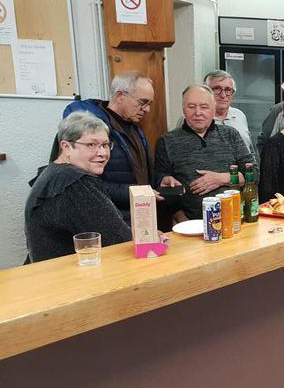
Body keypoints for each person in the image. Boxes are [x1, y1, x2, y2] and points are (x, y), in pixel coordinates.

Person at [26, 112, 131, 262]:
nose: (102, 153)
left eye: (105, 145)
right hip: (68, 273)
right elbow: (120, 240)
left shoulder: (53, 173)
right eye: (91, 145)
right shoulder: (76, 183)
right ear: (66, 147)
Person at [56, 71, 154, 220]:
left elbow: (137, 170)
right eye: (142, 102)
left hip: (135, 214)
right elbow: (83, 184)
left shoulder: (134, 127)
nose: (147, 109)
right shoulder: (89, 130)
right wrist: (134, 192)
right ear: (120, 96)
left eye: (149, 104)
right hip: (106, 216)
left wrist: (159, 179)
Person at [155, 85, 255, 222]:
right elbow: (163, 186)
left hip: (235, 219)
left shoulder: (230, 135)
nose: (198, 112)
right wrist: (185, 223)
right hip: (190, 224)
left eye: (204, 107)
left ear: (213, 109)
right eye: (191, 107)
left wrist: (220, 179)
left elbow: (254, 174)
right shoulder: (167, 141)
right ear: (183, 109)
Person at [204, 69, 256, 156]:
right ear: (206, 91)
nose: (223, 95)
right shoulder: (197, 119)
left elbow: (250, 151)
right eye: (217, 89)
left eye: (228, 90)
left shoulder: (239, 115)